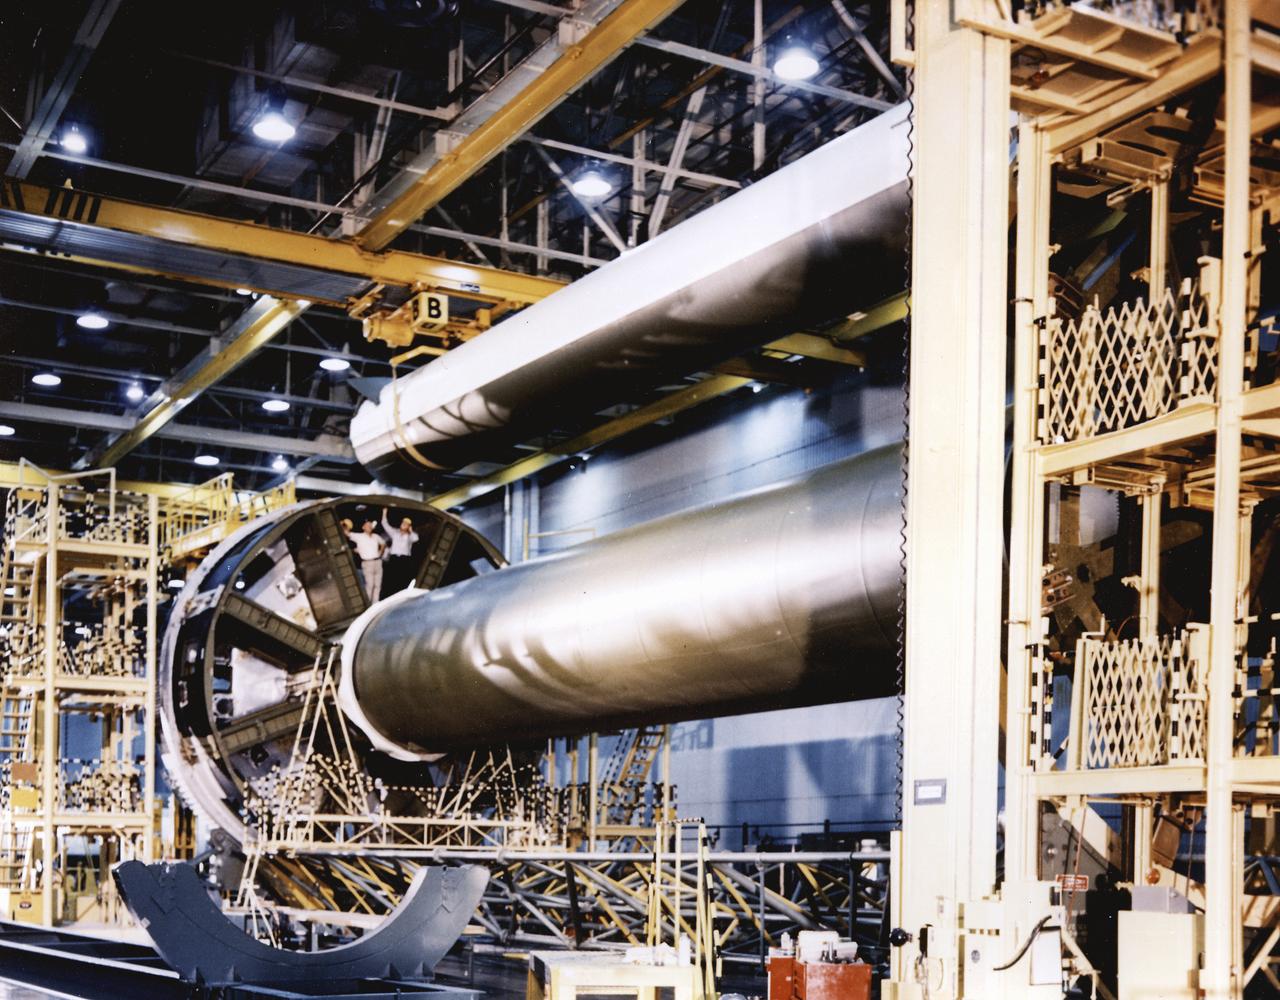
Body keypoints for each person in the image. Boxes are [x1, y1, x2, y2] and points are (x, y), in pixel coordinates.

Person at [346, 519, 387, 600]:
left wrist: (381, 552)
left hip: (377, 562)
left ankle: (375, 604)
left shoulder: (376, 536)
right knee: (370, 585)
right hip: (367, 563)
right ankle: (368, 603)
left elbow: (383, 543)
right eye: (367, 525)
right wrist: (344, 524)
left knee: (377, 585)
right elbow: (346, 533)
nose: (370, 527)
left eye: (370, 525)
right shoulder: (359, 536)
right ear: (363, 527)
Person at [382, 508, 420, 592]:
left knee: (401, 579)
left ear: (409, 526)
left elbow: (416, 539)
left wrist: (410, 531)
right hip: (394, 559)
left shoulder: (410, 536)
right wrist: (384, 512)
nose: (404, 524)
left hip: (404, 560)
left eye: (406, 524)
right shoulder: (395, 532)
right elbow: (384, 524)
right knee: (390, 579)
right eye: (403, 522)